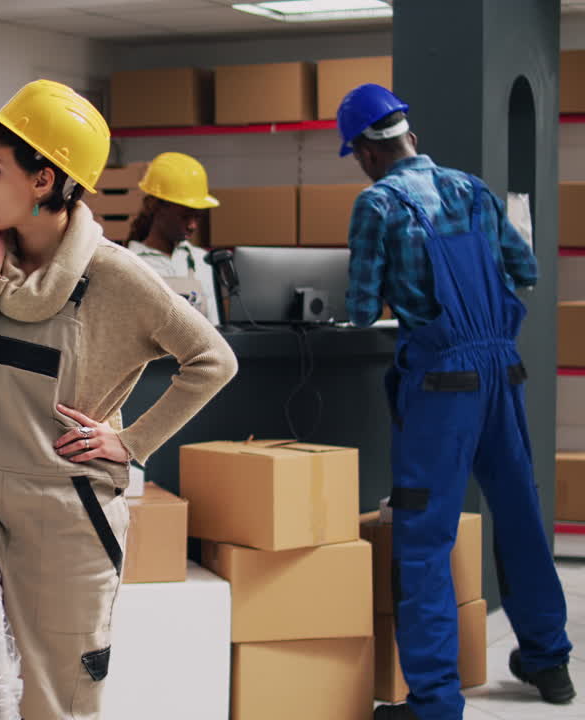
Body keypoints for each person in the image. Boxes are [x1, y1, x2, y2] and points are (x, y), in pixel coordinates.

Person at [0, 79, 237, 720]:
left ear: (44, 181)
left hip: (66, 518)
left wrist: (132, 443)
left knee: (54, 701)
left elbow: (213, 360)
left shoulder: (117, 277)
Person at [337, 83, 575, 720]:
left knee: (423, 537)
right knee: (520, 515)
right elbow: (524, 271)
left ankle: (436, 703)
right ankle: (549, 661)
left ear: (366, 151)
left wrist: (404, 297)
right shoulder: (472, 189)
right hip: (502, 371)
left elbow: (359, 310)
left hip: (443, 383)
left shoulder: (377, 204)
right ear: (409, 136)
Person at [124, 152, 221, 325]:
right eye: (185, 216)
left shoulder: (202, 260)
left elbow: (215, 329)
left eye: (197, 217)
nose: (192, 225)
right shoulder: (129, 263)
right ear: (154, 206)